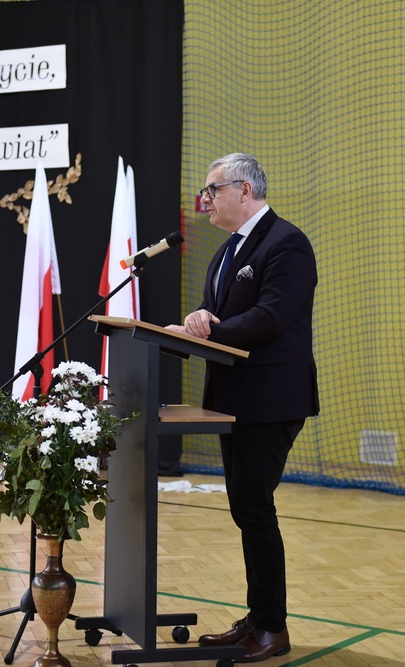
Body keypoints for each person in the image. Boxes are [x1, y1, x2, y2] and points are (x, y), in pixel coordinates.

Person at [166, 153, 319, 662]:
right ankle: (257, 619)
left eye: (212, 190)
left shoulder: (287, 243)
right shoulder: (229, 249)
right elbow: (223, 316)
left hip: (271, 399)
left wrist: (207, 327)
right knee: (246, 508)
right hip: (236, 400)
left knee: (254, 507)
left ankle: (273, 629)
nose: (205, 200)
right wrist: (200, 319)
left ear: (244, 190)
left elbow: (270, 317)